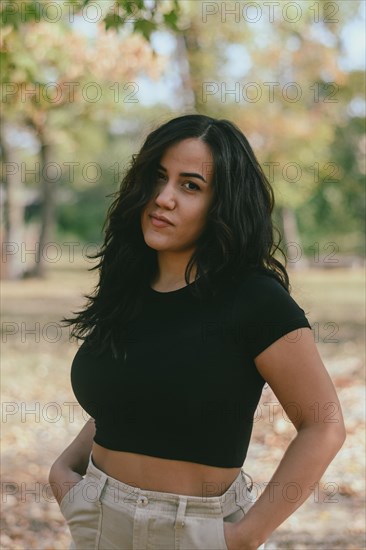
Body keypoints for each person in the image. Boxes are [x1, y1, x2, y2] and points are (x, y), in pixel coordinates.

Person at [49, 114, 346, 550]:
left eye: (190, 186)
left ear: (222, 203)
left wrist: (247, 534)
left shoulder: (255, 299)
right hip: (99, 521)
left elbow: (324, 425)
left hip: (197, 531)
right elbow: (132, 396)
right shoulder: (128, 288)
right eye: (157, 177)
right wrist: (64, 472)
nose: (163, 198)